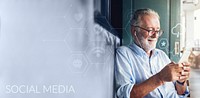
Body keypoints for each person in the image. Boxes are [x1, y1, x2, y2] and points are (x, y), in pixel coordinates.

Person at [115, 8, 190, 98]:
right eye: (150, 30)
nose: (155, 35)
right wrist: (160, 78)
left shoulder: (161, 55)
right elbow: (125, 95)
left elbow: (181, 92)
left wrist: (181, 81)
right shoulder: (124, 54)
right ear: (134, 31)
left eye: (157, 31)